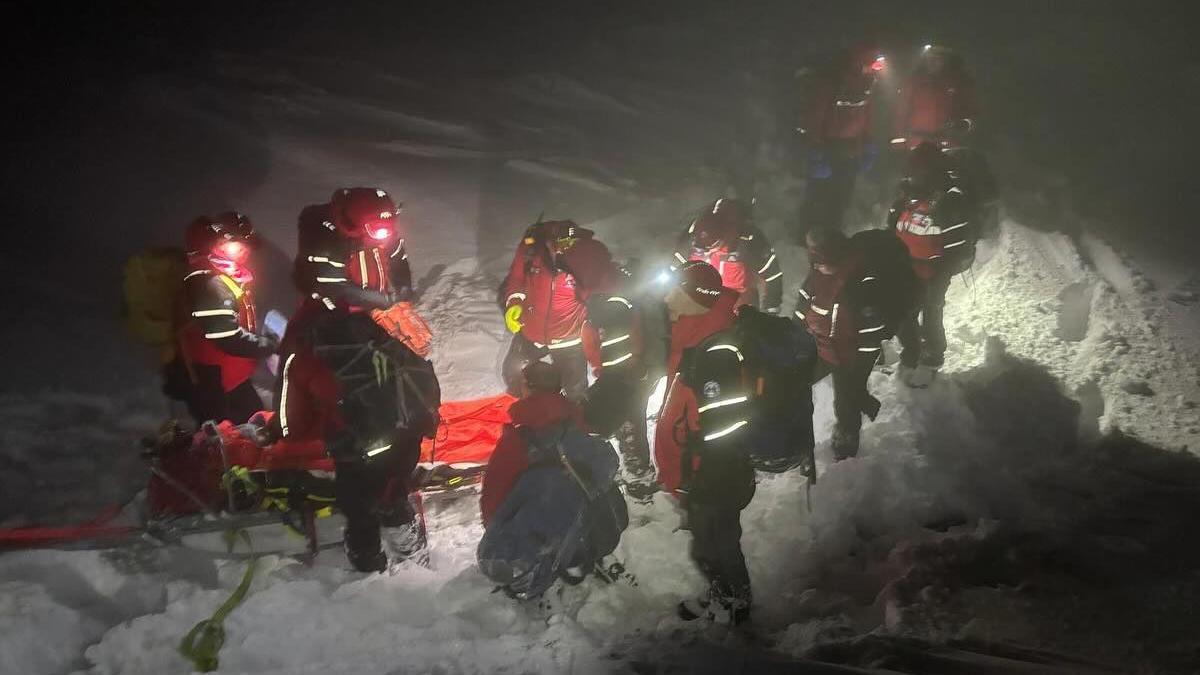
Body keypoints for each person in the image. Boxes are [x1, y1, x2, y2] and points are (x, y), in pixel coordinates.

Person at [654, 261, 755, 625]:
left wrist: (704, 475)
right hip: (699, 466)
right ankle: (722, 593)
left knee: (718, 541)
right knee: (708, 541)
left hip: (714, 471)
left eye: (675, 291)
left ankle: (737, 606)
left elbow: (725, 425)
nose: (666, 298)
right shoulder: (692, 335)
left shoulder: (716, 350)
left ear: (698, 301)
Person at [477, 361, 628, 598]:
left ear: (527, 387)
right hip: (591, 532)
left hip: (544, 540)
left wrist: (498, 531)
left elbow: (493, 499)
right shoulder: (577, 422)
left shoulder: (519, 438)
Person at [795, 227, 915, 458]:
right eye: (815, 261)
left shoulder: (862, 284)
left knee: (847, 398)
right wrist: (794, 336)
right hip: (824, 345)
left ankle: (847, 444)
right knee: (796, 383)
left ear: (835, 258)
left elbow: (870, 337)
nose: (816, 266)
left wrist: (857, 372)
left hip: (851, 353)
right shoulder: (818, 274)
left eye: (820, 262)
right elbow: (802, 307)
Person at [174, 211, 277, 424]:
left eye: (244, 247)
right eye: (232, 246)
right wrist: (268, 346)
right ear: (214, 244)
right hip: (213, 381)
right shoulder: (209, 282)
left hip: (234, 376)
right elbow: (227, 337)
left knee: (255, 425)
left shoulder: (229, 277)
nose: (241, 252)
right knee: (223, 441)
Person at [888, 142, 977, 386]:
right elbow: (892, 231)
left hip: (934, 272)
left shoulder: (950, 202)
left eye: (916, 173)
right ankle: (911, 353)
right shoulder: (906, 197)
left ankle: (932, 360)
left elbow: (958, 248)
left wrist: (939, 278)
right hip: (906, 269)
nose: (910, 177)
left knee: (931, 313)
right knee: (903, 315)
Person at [499, 220, 618, 402]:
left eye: (569, 245)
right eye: (557, 244)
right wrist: (514, 302)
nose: (561, 249)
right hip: (532, 333)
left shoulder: (585, 262)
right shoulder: (532, 252)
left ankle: (568, 423)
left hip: (568, 339)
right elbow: (516, 278)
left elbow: (610, 285)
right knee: (512, 373)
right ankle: (524, 410)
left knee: (575, 393)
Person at [797, 45, 887, 233]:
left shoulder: (868, 84)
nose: (874, 71)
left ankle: (832, 233)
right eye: (872, 66)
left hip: (852, 147)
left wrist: (868, 143)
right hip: (828, 146)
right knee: (818, 193)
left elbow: (867, 115)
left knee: (842, 195)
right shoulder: (833, 84)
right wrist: (816, 150)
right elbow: (816, 117)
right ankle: (805, 233)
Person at [580, 269, 654, 494]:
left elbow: (588, 339)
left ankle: (630, 468)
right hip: (630, 370)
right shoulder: (630, 304)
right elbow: (639, 332)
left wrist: (598, 366)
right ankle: (638, 471)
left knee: (616, 413)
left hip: (611, 373)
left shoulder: (593, 308)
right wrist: (638, 358)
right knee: (633, 417)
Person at [670, 198, 782, 314]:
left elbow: (772, 275)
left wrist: (771, 309)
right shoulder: (691, 238)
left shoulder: (748, 240)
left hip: (739, 304)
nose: (705, 253)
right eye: (699, 250)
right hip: (702, 302)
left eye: (708, 248)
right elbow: (675, 270)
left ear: (721, 240)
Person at [891, 45, 978, 151]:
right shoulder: (914, 82)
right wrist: (900, 137)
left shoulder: (952, 83)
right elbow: (901, 111)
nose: (934, 62)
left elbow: (965, 110)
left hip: (945, 139)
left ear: (944, 61)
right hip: (918, 139)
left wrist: (963, 128)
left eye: (938, 59)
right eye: (931, 58)